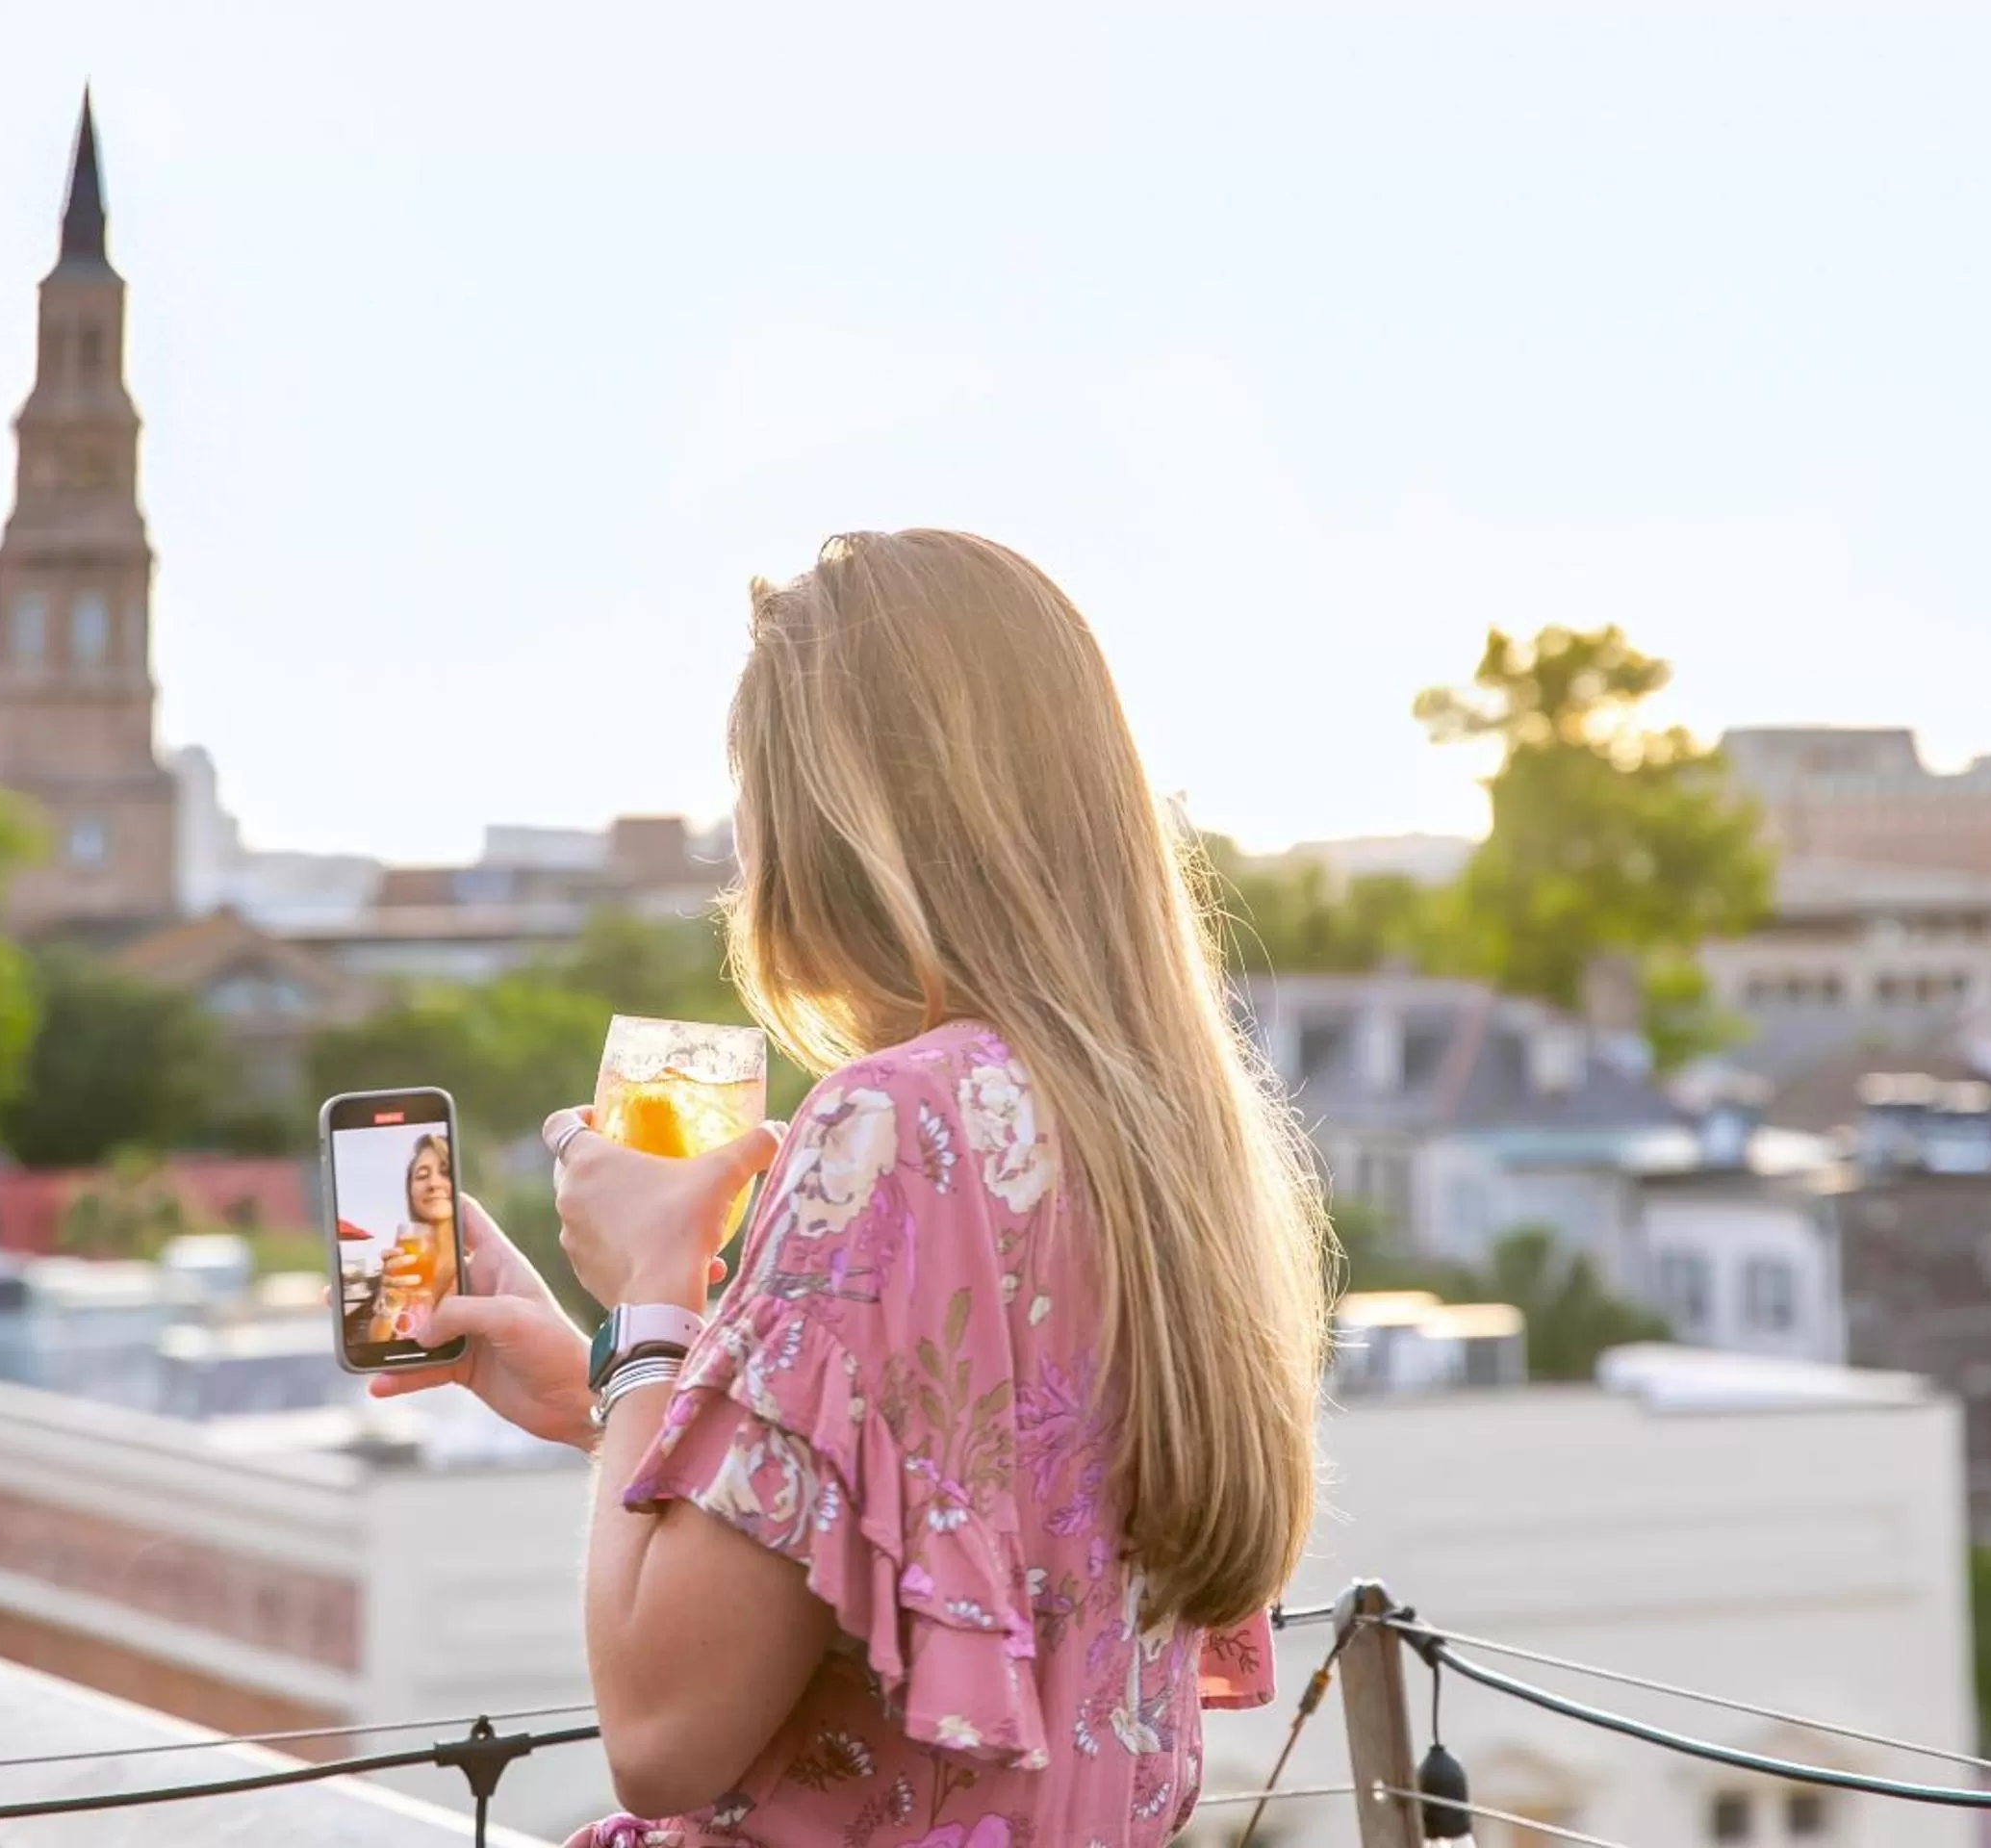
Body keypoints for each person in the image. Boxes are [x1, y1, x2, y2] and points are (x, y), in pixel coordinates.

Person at [371, 531, 1334, 1845]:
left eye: (754, 798)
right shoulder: (1163, 1133)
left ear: (837, 819)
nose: (744, 844)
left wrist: (652, 1292)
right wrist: (621, 1404)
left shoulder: (894, 1124)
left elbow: (659, 1739)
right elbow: (903, 1540)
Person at [372, 1131, 458, 1344]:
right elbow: (376, 1345)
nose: (433, 1184)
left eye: (445, 1172)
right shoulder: (404, 1261)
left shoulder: (482, 1261)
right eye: (421, 1175)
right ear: (411, 1191)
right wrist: (390, 1304)